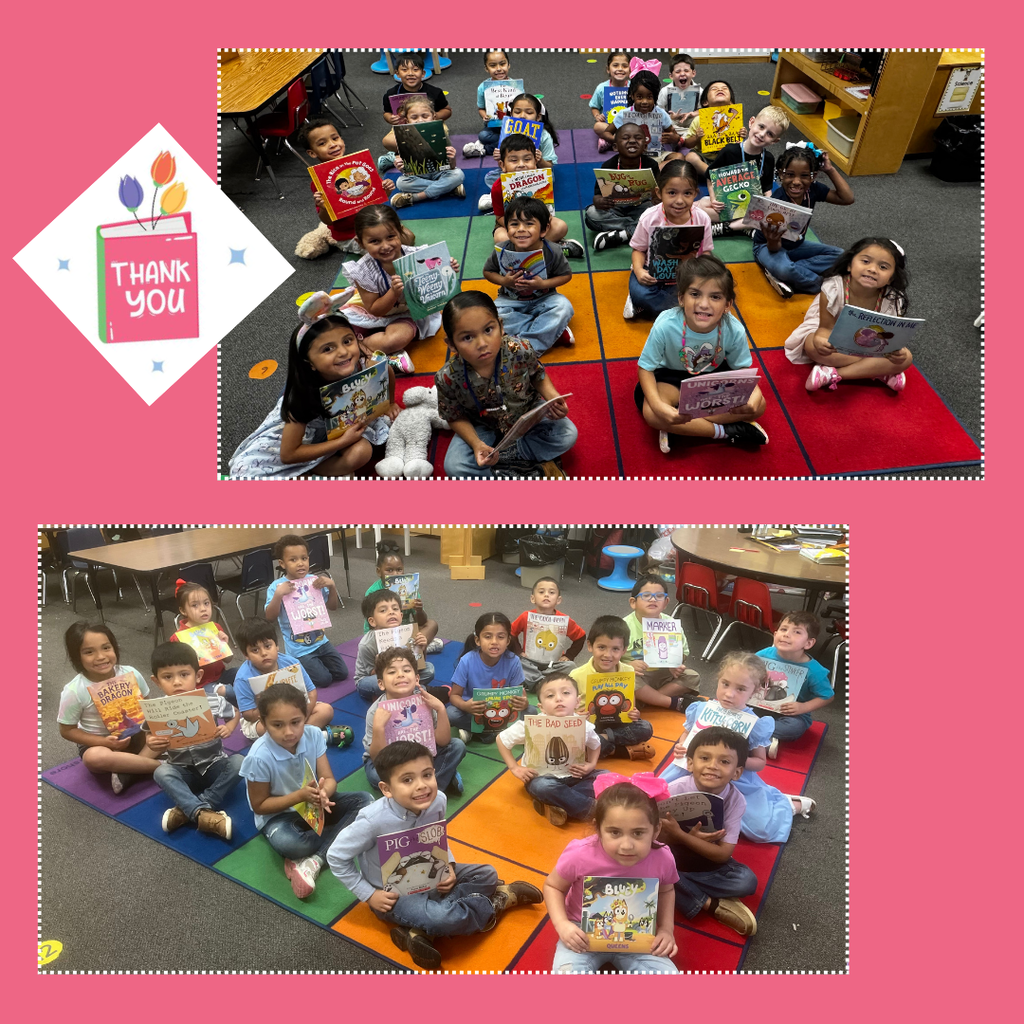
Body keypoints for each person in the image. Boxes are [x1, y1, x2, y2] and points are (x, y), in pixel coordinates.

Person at [327, 740, 543, 970]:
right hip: (393, 894)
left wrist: (448, 864)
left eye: (427, 775)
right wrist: (369, 895)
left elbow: (437, 836)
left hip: (432, 873)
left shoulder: (438, 799)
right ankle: (498, 901)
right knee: (444, 919)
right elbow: (336, 857)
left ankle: (420, 931)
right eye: (407, 780)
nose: (422, 786)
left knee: (488, 874)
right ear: (386, 789)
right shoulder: (372, 821)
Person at [227, 290, 397, 479]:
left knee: (362, 452)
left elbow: (386, 371)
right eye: (328, 349)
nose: (343, 352)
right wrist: (342, 443)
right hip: (299, 441)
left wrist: (389, 403)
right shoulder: (301, 398)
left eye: (347, 341)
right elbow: (288, 454)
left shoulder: (362, 364)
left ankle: (314, 470)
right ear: (310, 363)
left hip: (337, 432)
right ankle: (307, 472)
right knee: (245, 473)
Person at [660, 652, 814, 842]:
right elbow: (687, 733)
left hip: (734, 781)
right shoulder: (702, 709)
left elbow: (759, 762)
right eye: (725, 684)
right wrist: (681, 745)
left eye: (740, 689)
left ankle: (787, 805)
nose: (729, 693)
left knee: (759, 829)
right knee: (658, 806)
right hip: (688, 771)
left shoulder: (754, 723)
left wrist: (733, 761)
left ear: (755, 691)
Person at [241, 683, 374, 899]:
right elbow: (259, 805)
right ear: (263, 724)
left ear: (305, 717)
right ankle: (322, 852)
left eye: (296, 722)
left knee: (365, 801)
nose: (289, 732)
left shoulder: (312, 734)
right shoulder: (259, 757)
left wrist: (324, 793)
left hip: (312, 803)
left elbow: (329, 780)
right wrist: (299, 796)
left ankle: (315, 860)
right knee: (292, 845)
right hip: (278, 817)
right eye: (277, 725)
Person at [434, 292, 577, 479]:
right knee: (454, 466)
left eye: (488, 330)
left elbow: (538, 375)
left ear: (501, 327)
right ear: (452, 344)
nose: (482, 343)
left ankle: (502, 464)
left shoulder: (520, 349)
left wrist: (553, 398)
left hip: (526, 412)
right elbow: (454, 417)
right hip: (481, 425)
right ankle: (525, 468)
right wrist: (476, 444)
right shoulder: (447, 377)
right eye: (468, 338)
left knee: (567, 433)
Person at [635, 253, 768, 452]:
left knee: (759, 405)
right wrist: (658, 406)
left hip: (714, 378)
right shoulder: (665, 324)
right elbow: (645, 368)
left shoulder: (734, 329)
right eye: (695, 294)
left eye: (715, 297)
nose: (704, 304)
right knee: (652, 413)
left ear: (727, 305)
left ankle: (679, 427)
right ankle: (726, 432)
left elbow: (742, 370)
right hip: (670, 378)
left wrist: (754, 395)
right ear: (681, 298)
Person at [543, 779, 679, 973]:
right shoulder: (580, 854)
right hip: (582, 932)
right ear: (598, 829)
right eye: (615, 832)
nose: (626, 845)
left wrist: (666, 930)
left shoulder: (662, 857)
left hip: (639, 935)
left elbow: (667, 890)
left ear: (656, 830)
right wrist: (562, 925)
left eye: (638, 833)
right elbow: (553, 887)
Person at [659, 726, 759, 937]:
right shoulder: (673, 789)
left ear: (737, 772)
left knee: (747, 881)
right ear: (690, 763)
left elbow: (723, 854)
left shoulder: (735, 800)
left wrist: (684, 837)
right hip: (670, 856)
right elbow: (654, 840)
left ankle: (680, 887)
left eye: (724, 762)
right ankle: (709, 904)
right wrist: (678, 838)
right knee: (649, 866)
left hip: (706, 860)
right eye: (705, 758)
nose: (712, 766)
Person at [337, 204, 461, 373]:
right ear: (360, 242)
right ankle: (376, 355)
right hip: (372, 311)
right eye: (374, 241)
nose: (385, 246)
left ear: (400, 233)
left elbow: (439, 290)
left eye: (390, 237)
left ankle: (363, 352)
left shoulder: (417, 256)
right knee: (336, 330)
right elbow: (375, 310)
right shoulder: (363, 269)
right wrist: (393, 293)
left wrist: (448, 268)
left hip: (408, 313)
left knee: (396, 339)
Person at [146, 643, 243, 840]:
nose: (177, 682)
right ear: (156, 681)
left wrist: (229, 728)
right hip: (182, 770)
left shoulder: (211, 700)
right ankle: (204, 814)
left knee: (240, 763)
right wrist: (151, 743)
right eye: (167, 677)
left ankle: (190, 809)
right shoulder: (157, 709)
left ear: (197, 676)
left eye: (184, 675)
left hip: (214, 765)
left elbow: (234, 713)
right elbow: (149, 736)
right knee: (161, 771)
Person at [791, 237, 914, 392]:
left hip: (870, 342)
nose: (873, 269)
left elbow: (888, 338)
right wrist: (821, 341)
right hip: (834, 334)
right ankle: (876, 371)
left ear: (892, 278)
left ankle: (832, 374)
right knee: (812, 346)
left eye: (883, 267)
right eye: (865, 261)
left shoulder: (893, 299)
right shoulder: (833, 288)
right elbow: (824, 329)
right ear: (849, 265)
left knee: (906, 358)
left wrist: (898, 352)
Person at [56, 622, 161, 794]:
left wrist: (154, 731)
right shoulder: (74, 690)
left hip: (138, 735)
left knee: (171, 725)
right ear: (77, 656)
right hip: (102, 743)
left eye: (106, 648)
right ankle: (160, 767)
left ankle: (131, 769)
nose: (101, 657)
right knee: (93, 758)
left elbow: (148, 706)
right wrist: (104, 742)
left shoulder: (131, 673)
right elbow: (67, 730)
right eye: (89, 652)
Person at [496, 671, 603, 826]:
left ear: (577, 701)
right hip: (543, 778)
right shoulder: (532, 724)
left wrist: (591, 765)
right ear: (541, 707)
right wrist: (514, 767)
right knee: (543, 788)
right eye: (550, 696)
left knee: (605, 776)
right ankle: (594, 811)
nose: (559, 698)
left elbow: (595, 744)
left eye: (566, 693)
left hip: (576, 776)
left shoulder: (583, 725)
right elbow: (502, 739)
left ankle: (557, 805)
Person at [753, 144, 854, 298]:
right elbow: (774, 248)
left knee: (841, 255)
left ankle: (790, 274)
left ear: (813, 176)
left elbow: (847, 198)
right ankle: (817, 283)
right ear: (781, 174)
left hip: (796, 244)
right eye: (790, 174)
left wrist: (830, 170)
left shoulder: (812, 190)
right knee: (785, 269)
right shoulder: (777, 202)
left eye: (804, 176)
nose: (797, 182)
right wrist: (773, 242)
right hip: (767, 246)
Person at [363, 646, 465, 795]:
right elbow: (377, 757)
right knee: (375, 776)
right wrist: (379, 728)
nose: (400, 675)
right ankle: (438, 779)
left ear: (417, 678)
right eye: (392, 672)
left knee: (457, 746)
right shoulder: (376, 711)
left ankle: (420, 790)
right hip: (389, 762)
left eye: (406, 670)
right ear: (381, 683)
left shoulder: (425, 702)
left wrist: (441, 710)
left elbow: (443, 741)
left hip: (421, 757)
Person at [483, 196, 575, 355]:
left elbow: (566, 276)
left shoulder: (553, 250)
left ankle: (525, 351)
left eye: (529, 223)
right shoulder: (502, 248)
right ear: (506, 228)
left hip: (545, 299)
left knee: (563, 307)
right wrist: (505, 281)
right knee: (489, 316)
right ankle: (551, 332)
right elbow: (488, 272)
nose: (520, 229)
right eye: (514, 224)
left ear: (544, 230)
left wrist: (542, 285)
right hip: (510, 301)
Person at [231, 617, 345, 745]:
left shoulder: (291, 663)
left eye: (268, 646)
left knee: (326, 710)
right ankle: (309, 737)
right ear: (245, 654)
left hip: (295, 711)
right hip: (264, 719)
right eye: (255, 650)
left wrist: (302, 718)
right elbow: (248, 715)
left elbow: (311, 692)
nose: (263, 653)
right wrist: (263, 707)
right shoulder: (243, 678)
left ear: (277, 645)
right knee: (264, 729)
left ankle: (289, 740)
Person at [294, 117, 397, 259]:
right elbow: (328, 220)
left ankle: (325, 232)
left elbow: (378, 197)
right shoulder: (318, 181)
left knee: (406, 238)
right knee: (384, 254)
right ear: (312, 153)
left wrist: (387, 188)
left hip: (374, 222)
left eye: (335, 138)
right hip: (349, 233)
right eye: (322, 143)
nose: (332, 145)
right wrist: (323, 207)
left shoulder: (358, 165)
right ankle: (328, 236)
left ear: (342, 140)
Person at [625, 160, 712, 321]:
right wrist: (638, 271)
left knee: (715, 285)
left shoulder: (702, 218)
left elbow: (706, 252)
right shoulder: (649, 217)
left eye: (687, 193)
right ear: (659, 193)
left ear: (695, 194)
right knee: (641, 293)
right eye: (672, 193)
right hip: (653, 276)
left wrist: (704, 276)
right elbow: (638, 250)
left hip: (687, 276)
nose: (679, 200)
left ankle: (670, 309)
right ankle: (683, 310)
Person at [265, 534, 348, 688]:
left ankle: (313, 663)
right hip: (299, 648)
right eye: (293, 560)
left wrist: (332, 587)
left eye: (304, 558)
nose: (300, 564)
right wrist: (278, 595)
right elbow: (270, 617)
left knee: (342, 673)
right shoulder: (276, 587)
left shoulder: (314, 581)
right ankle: (293, 664)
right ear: (282, 563)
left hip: (321, 641)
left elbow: (333, 607)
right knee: (324, 680)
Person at [569, 615, 655, 761]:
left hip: (616, 725)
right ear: (590, 646)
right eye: (601, 647)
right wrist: (577, 717)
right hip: (589, 725)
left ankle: (600, 742)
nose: (607, 655)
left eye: (615, 649)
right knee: (574, 738)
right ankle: (620, 751)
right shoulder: (576, 675)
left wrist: (634, 714)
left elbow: (630, 706)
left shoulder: (628, 671)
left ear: (624, 650)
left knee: (645, 727)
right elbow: (567, 712)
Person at [699, 106, 790, 233]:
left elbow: (767, 189)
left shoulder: (768, 158)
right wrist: (713, 199)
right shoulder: (729, 151)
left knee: (773, 216)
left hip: (751, 208)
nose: (762, 134)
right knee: (701, 206)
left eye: (770, 134)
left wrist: (771, 205)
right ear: (751, 122)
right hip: (727, 204)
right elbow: (710, 177)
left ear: (775, 141)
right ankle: (744, 227)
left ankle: (727, 228)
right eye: (761, 127)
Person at [621, 573, 704, 710]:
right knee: (627, 679)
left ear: (665, 603)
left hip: (664, 674)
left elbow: (683, 653)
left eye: (659, 596)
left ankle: (648, 701)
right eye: (646, 596)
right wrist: (628, 665)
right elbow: (611, 658)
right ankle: (670, 702)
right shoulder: (624, 627)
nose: (653, 600)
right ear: (633, 603)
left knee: (692, 676)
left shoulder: (671, 624)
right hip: (638, 676)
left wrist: (675, 663)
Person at [754, 612, 835, 752]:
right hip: (759, 704)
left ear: (808, 643)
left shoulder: (815, 671)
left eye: (797, 632)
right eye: (784, 629)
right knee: (733, 703)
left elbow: (827, 696)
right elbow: (746, 671)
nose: (787, 634)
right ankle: (761, 735)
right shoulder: (763, 654)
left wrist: (803, 707)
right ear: (775, 634)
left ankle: (748, 729)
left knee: (794, 728)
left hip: (791, 714)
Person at [488, 133, 580, 253]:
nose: (521, 164)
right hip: (510, 224)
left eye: (527, 159)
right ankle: (547, 250)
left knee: (560, 227)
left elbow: (546, 209)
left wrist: (545, 219)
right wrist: (515, 225)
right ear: (502, 165)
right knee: (501, 238)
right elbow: (500, 217)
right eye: (514, 160)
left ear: (536, 162)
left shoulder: (541, 181)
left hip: (537, 223)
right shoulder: (497, 187)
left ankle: (526, 251)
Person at [446, 612, 529, 741]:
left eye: (500, 637)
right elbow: (454, 696)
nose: (494, 642)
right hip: (473, 711)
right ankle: (488, 733)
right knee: (450, 714)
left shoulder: (513, 661)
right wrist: (466, 706)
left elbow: (518, 695)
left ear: (508, 640)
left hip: (502, 713)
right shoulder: (466, 661)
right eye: (488, 637)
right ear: (477, 640)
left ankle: (476, 731)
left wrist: (523, 703)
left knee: (531, 712)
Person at [586, 122, 660, 251]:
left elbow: (661, 193)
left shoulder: (651, 165)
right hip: (615, 209)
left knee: (659, 212)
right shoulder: (608, 166)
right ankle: (635, 230)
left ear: (645, 147)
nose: (632, 141)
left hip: (641, 208)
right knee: (592, 214)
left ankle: (623, 234)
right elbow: (597, 195)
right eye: (625, 138)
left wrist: (657, 198)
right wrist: (599, 201)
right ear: (615, 147)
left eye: (638, 138)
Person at [169, 579, 237, 721]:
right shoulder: (178, 638)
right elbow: (179, 673)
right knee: (227, 691)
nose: (203, 609)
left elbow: (228, 659)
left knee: (245, 675)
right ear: (183, 610)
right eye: (195, 605)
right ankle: (230, 718)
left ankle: (242, 717)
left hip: (221, 675)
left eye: (206, 603)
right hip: (200, 685)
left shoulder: (215, 628)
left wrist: (224, 644)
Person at [355, 589, 436, 702]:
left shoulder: (407, 633)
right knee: (377, 682)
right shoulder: (367, 644)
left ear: (401, 615)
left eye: (395, 609)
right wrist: (380, 663)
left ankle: (398, 693)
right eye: (383, 610)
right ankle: (416, 691)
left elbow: (417, 664)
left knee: (429, 669)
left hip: (399, 673)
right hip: (371, 678)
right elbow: (373, 673)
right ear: (372, 621)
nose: (391, 612)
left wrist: (422, 648)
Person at [509, 576, 587, 691]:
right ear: (532, 598)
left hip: (555, 662)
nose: (546, 595)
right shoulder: (525, 616)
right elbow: (510, 633)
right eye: (541, 592)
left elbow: (581, 636)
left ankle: (537, 682)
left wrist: (569, 656)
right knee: (515, 662)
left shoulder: (564, 620)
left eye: (551, 592)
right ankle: (547, 681)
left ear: (558, 600)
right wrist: (519, 651)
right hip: (530, 661)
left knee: (571, 667)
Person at [384, 96, 465, 207]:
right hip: (418, 177)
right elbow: (407, 172)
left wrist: (452, 158)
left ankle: (416, 197)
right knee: (401, 183)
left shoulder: (440, 133)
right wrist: (401, 167)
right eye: (414, 117)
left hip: (440, 173)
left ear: (433, 117)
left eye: (425, 116)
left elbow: (451, 167)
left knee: (458, 174)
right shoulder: (403, 137)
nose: (420, 120)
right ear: (407, 120)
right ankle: (449, 190)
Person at [363, 541, 441, 653]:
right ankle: (417, 650)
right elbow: (371, 627)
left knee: (432, 624)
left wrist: (418, 610)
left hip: (404, 633)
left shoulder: (409, 588)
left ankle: (418, 650)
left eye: (399, 569)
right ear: (379, 571)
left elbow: (421, 622)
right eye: (389, 570)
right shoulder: (372, 592)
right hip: (382, 634)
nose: (395, 574)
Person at [380, 52, 451, 172]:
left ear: (423, 73)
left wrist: (435, 116)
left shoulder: (434, 92)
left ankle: (400, 156)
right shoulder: (391, 93)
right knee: (387, 141)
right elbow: (386, 112)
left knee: (443, 134)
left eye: (415, 69)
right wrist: (390, 118)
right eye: (404, 70)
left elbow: (447, 110)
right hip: (404, 126)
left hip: (430, 125)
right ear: (397, 73)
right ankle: (413, 154)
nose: (410, 74)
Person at [596, 68, 679, 152]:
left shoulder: (661, 114)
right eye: (639, 97)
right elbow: (606, 133)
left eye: (649, 97)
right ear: (632, 95)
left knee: (678, 156)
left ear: (655, 96)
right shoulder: (624, 114)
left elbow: (674, 134)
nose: (644, 102)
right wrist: (617, 140)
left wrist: (674, 138)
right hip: (631, 155)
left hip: (654, 154)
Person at [680, 81, 745, 178]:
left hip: (726, 159)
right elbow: (687, 144)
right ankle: (715, 176)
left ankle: (719, 175)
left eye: (724, 88)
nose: (720, 89)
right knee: (690, 158)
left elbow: (739, 144)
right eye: (714, 89)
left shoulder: (735, 119)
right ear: (705, 102)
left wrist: (742, 135)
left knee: (744, 154)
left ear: (731, 101)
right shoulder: (699, 120)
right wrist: (697, 137)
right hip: (705, 159)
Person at [463, 49, 515, 158]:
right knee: (483, 136)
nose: (499, 69)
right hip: (494, 126)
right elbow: (481, 108)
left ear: (508, 65)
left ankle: (484, 149)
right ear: (486, 68)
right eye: (493, 65)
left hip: (512, 126)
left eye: (502, 64)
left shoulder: (515, 85)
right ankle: (509, 145)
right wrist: (484, 116)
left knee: (523, 135)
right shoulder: (483, 87)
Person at [589, 50, 632, 152]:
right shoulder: (601, 88)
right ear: (608, 69)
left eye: (625, 66)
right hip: (609, 126)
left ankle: (611, 141)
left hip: (630, 125)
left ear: (630, 70)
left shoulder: (633, 87)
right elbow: (594, 106)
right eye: (615, 65)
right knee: (598, 126)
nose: (620, 69)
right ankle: (623, 142)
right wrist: (597, 116)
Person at [657, 53, 701, 138]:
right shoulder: (665, 91)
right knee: (662, 125)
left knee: (700, 122)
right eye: (678, 71)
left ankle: (683, 138)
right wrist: (671, 117)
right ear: (671, 76)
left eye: (686, 71)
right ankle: (684, 138)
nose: (682, 74)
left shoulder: (700, 91)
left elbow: (702, 110)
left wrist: (692, 114)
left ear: (693, 73)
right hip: (673, 123)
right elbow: (659, 112)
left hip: (691, 123)